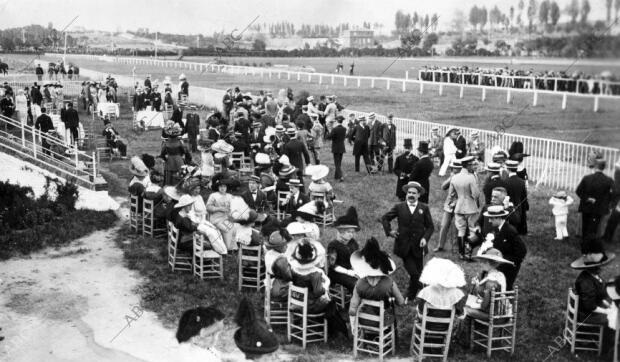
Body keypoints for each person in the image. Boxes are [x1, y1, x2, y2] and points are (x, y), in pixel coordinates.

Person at [381, 181, 435, 300]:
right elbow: (385, 218)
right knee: (414, 273)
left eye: (414, 193)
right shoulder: (399, 207)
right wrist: (389, 232)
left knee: (419, 273)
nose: (411, 195)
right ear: (406, 194)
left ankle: (414, 291)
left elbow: (430, 227)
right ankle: (417, 294)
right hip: (404, 246)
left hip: (418, 247)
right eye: (409, 192)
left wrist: (425, 238)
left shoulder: (424, 208)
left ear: (419, 195)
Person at [289, 239, 349, 337]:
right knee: (330, 304)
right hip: (310, 305)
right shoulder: (315, 274)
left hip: (295, 302)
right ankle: (337, 331)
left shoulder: (294, 269)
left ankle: (331, 329)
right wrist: (325, 286)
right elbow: (318, 292)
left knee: (328, 302)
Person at [348, 237, 405, 332]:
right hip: (383, 321)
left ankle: (362, 334)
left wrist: (353, 317)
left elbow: (352, 308)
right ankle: (388, 336)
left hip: (363, 321)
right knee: (390, 308)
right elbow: (400, 302)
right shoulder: (390, 282)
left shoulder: (359, 283)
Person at [459, 247, 513, 344]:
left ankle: (464, 341)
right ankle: (469, 335)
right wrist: (477, 285)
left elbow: (484, 306)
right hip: (504, 313)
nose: (481, 264)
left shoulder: (490, 282)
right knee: (469, 306)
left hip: (494, 316)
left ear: (488, 263)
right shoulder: (500, 275)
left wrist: (475, 305)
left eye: (483, 262)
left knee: (465, 309)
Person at [572, 246, 616, 353]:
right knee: (613, 318)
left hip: (592, 309)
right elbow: (590, 306)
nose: (601, 268)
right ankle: (609, 345)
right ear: (592, 267)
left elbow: (601, 296)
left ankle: (611, 341)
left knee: (615, 312)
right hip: (586, 315)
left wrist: (609, 305)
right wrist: (607, 311)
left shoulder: (595, 277)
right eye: (599, 266)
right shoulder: (586, 282)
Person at [484, 205, 527, 290]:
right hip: (499, 263)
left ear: (498, 218)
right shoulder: (497, 229)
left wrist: (504, 260)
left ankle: (505, 301)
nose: (489, 221)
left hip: (510, 266)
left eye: (491, 218)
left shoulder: (510, 231)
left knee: (504, 287)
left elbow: (522, 251)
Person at [576, 158, 615, 250]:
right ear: (604, 167)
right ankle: (590, 246)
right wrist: (608, 202)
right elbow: (614, 194)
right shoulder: (609, 180)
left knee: (585, 226)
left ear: (595, 166)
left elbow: (578, 191)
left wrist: (587, 198)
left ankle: (585, 245)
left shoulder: (587, 178)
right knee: (594, 227)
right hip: (599, 209)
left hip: (586, 207)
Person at [447, 156, 481, 260]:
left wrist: (452, 203)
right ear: (468, 165)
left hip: (459, 206)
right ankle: (468, 253)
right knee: (472, 229)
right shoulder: (471, 177)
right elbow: (476, 194)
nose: (473, 167)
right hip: (470, 207)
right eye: (471, 165)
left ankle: (461, 254)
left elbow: (451, 194)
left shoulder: (455, 177)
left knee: (461, 230)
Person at [415, 258, 466, 326]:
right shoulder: (456, 294)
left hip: (427, 325)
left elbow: (421, 313)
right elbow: (460, 316)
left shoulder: (426, 292)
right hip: (447, 326)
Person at [327, 207, 360, 292]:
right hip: (337, 272)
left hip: (352, 269)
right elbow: (332, 265)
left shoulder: (353, 242)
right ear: (341, 232)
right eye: (349, 232)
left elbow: (357, 256)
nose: (351, 235)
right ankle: (354, 303)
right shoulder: (333, 245)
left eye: (353, 232)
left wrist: (355, 269)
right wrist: (347, 272)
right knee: (356, 284)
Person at [434, 160, 462, 252]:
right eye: (453, 167)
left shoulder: (465, 178)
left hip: (460, 205)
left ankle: (456, 247)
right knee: (444, 225)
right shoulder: (452, 176)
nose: (454, 169)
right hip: (449, 205)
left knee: (456, 227)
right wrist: (450, 178)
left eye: (456, 168)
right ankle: (440, 246)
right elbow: (443, 187)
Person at [160, 121, 192, 186]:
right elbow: (185, 152)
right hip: (179, 160)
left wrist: (166, 159)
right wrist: (188, 159)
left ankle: (169, 186)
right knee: (180, 174)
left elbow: (162, 154)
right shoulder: (180, 142)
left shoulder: (166, 143)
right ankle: (180, 186)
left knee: (169, 176)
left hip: (169, 161)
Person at [505, 159, 529, 235]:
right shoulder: (521, 181)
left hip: (509, 205)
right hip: (519, 205)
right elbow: (524, 196)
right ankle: (520, 231)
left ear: (508, 169)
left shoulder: (505, 181)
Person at [327, 115, 346, 182]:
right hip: (341, 147)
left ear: (337, 121)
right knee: (339, 162)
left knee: (337, 163)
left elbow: (329, 137)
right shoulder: (344, 129)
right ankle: (336, 176)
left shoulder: (334, 129)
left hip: (336, 147)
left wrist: (330, 129)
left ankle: (340, 176)